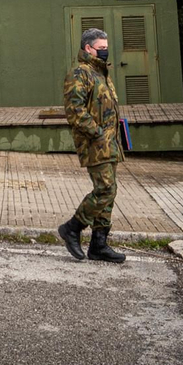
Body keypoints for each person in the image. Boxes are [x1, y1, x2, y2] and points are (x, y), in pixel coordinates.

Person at [58, 28, 126, 263]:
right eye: (101, 48)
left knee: (110, 191)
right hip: (95, 143)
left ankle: (99, 244)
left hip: (110, 143)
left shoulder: (101, 73)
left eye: (106, 48)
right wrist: (97, 133)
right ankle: (72, 228)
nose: (105, 51)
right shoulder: (80, 73)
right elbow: (75, 111)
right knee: (105, 189)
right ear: (88, 48)